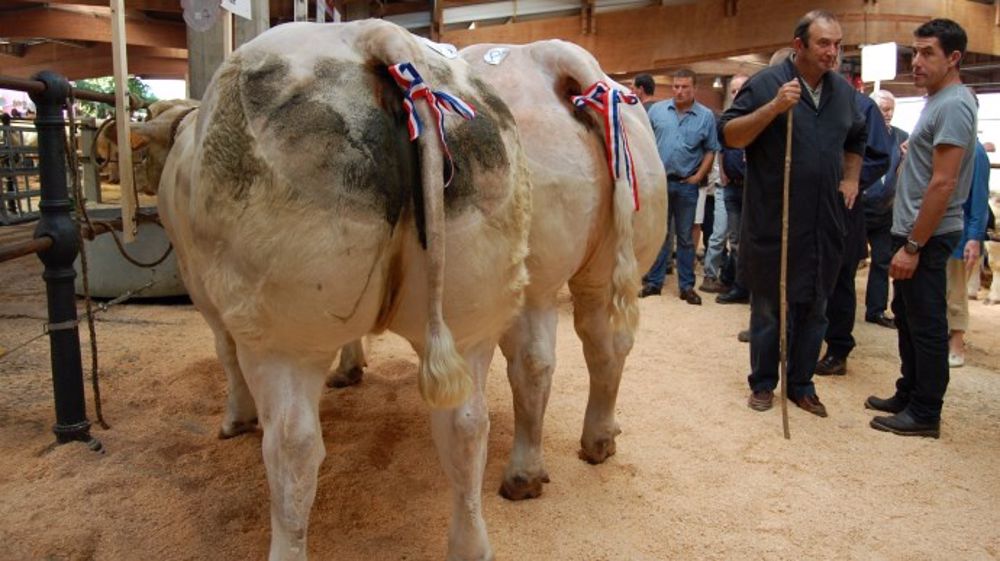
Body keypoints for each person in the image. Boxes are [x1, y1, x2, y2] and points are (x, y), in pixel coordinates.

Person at [718, 10, 866, 417]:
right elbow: (729, 134)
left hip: (824, 219)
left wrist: (850, 178)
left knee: (815, 304)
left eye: (837, 44)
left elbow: (857, 137)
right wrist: (772, 108)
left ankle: (801, 384)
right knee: (769, 305)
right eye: (824, 43)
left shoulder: (843, 92)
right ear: (799, 45)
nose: (832, 52)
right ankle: (763, 383)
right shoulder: (766, 84)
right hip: (775, 217)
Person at [866, 19, 978, 439]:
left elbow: (945, 182)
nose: (916, 61)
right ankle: (909, 393)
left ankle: (926, 411)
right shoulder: (938, 101)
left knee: (927, 323)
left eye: (927, 52)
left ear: (953, 58)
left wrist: (913, 245)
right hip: (914, 230)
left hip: (926, 235)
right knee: (910, 318)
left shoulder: (953, 103)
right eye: (914, 52)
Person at [813, 92, 892, 376]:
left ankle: (837, 349)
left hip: (842, 204)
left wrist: (847, 178)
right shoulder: (800, 99)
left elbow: (878, 156)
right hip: (806, 205)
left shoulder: (861, 105)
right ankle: (798, 342)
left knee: (840, 280)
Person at [641, 68, 720, 305]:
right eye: (676, 86)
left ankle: (686, 286)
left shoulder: (706, 116)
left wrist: (698, 176)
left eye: (684, 86)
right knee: (659, 234)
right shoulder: (656, 111)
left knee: (685, 237)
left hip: (686, 184)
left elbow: (711, 149)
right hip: (659, 183)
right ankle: (654, 282)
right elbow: (644, 141)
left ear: (694, 88)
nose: (679, 91)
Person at [862, 89, 908, 329]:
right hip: (858, 208)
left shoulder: (902, 138)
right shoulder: (860, 134)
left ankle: (876, 310)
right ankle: (838, 310)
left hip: (885, 210)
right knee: (848, 262)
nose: (887, 114)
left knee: (882, 261)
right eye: (883, 109)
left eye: (891, 109)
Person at [703, 73, 750, 295]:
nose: (736, 94)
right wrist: (722, 172)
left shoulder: (756, 117)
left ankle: (744, 285)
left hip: (752, 190)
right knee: (734, 240)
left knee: (750, 240)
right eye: (733, 91)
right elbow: (721, 148)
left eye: (740, 89)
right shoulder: (727, 119)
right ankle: (736, 286)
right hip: (730, 187)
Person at [945, 138, 990, 367]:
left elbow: (979, 198)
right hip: (939, 229)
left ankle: (957, 342)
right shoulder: (950, 145)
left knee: (957, 289)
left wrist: (974, 237)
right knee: (940, 288)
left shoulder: (976, 152)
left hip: (960, 233)